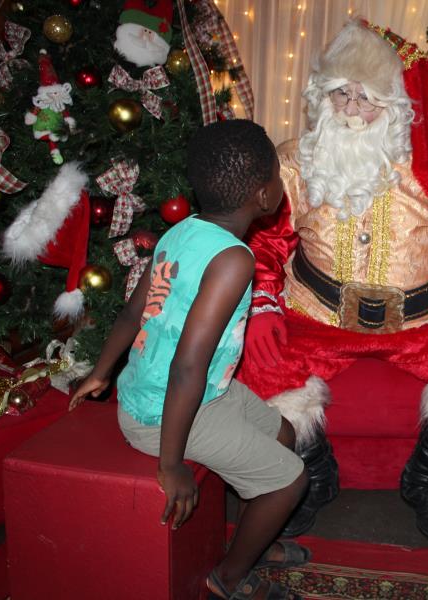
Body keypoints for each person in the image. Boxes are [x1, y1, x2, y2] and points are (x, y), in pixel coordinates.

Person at [236, 20, 428, 543]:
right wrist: (262, 307)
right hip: (316, 315)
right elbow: (262, 241)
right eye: (341, 94)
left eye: (367, 98)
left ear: (395, 103)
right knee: (244, 359)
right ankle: (315, 477)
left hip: (423, 321)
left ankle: (423, 481)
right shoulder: (293, 163)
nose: (352, 110)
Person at [70, 120, 308, 600]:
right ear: (264, 195)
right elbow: (186, 367)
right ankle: (229, 579)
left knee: (285, 433)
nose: (283, 185)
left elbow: (135, 311)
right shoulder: (234, 260)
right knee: (289, 482)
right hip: (168, 410)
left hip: (192, 390)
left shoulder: (183, 229)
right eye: (279, 176)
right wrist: (170, 462)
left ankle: (251, 537)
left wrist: (100, 374)